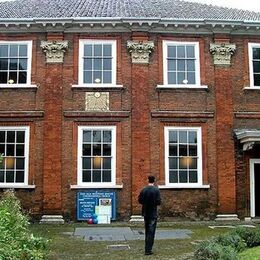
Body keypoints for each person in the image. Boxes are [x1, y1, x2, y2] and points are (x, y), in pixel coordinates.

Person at [138, 175, 161, 255]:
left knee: (147, 231)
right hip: (153, 213)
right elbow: (159, 202)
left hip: (145, 212)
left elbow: (140, 200)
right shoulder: (156, 190)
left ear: (148, 180)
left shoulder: (144, 190)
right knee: (151, 232)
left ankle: (146, 248)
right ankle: (148, 250)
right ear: (154, 180)